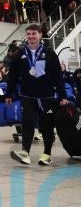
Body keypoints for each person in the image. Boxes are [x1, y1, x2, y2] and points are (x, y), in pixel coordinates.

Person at [6, 24, 69, 166]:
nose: (31, 37)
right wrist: (9, 94)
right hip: (27, 95)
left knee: (46, 126)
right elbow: (12, 76)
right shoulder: (20, 53)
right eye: (28, 34)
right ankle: (25, 153)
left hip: (46, 96)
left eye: (34, 33)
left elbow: (58, 76)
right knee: (27, 123)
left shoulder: (49, 52)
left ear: (40, 35)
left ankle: (47, 154)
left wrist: (63, 95)